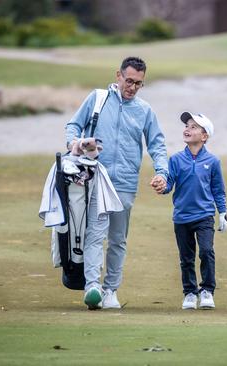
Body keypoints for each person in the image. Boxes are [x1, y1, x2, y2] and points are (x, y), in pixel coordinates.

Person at [65, 56, 168, 310]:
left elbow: (157, 144)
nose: (132, 87)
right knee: (94, 234)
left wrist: (162, 173)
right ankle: (92, 287)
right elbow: (73, 126)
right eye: (129, 80)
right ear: (118, 76)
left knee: (118, 239)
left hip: (125, 182)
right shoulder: (97, 98)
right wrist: (76, 145)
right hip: (95, 178)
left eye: (138, 83)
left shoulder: (144, 110)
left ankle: (111, 289)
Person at [161, 112, 227, 310]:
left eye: (193, 127)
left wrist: (222, 212)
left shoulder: (213, 162)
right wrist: (161, 185)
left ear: (204, 135)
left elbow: (218, 189)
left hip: (205, 215)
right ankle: (190, 293)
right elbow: (168, 185)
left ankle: (207, 290)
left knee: (206, 252)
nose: (187, 129)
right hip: (181, 216)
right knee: (186, 258)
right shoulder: (175, 159)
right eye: (186, 126)